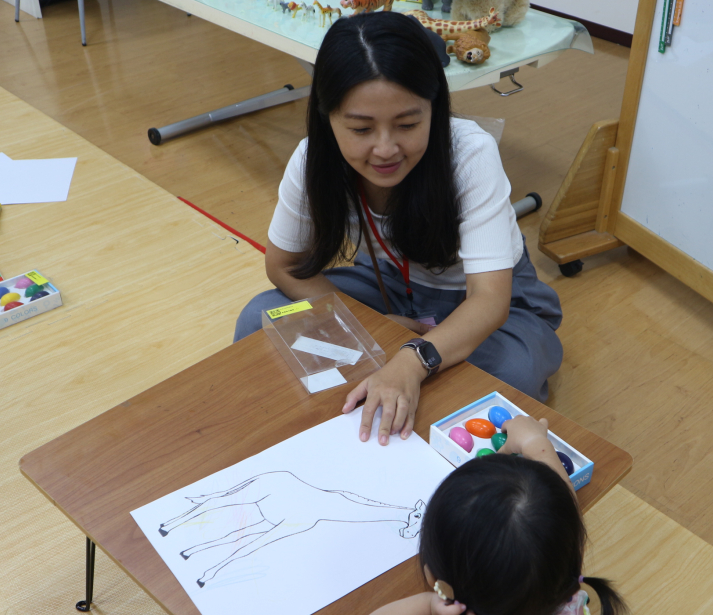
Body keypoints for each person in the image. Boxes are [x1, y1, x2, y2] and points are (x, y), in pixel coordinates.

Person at [235, 12, 563, 445]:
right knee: (259, 319)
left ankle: (406, 388)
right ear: (327, 117)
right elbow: (284, 267)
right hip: (386, 285)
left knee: (511, 372)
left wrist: (412, 359)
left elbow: (489, 300)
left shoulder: (469, 154)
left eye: (408, 124)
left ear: (435, 109)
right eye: (360, 128)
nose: (385, 149)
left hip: (481, 297)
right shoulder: (313, 157)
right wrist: (371, 324)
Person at [342, 416, 627, 615]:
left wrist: (429, 613)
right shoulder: (565, 599)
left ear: (439, 585)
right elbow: (566, 517)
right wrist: (535, 442)